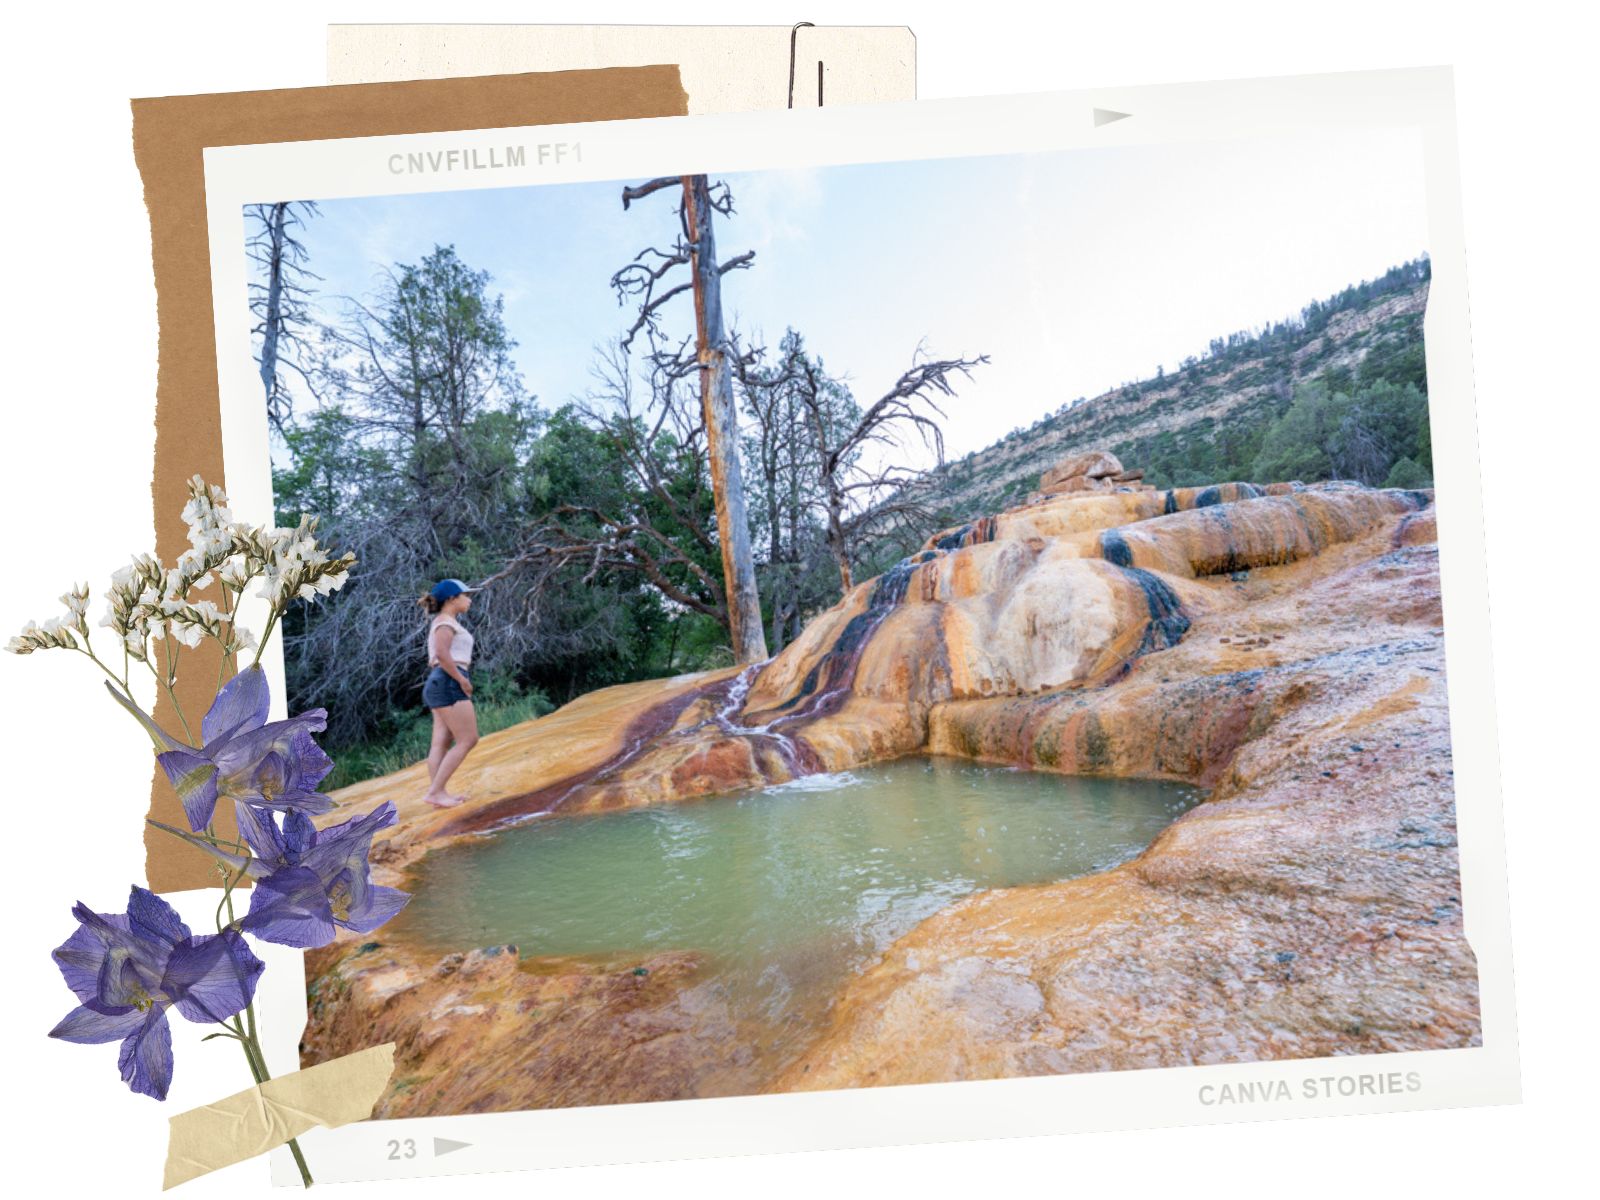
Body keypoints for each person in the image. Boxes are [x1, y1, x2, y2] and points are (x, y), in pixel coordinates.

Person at [418, 578, 481, 808]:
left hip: (440, 682)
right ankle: (435, 792)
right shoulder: (445, 622)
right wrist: (461, 680)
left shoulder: (443, 621)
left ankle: (438, 795)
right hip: (448, 681)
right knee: (468, 739)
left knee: (441, 743)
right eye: (466, 595)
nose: (469, 600)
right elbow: (443, 655)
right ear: (453, 599)